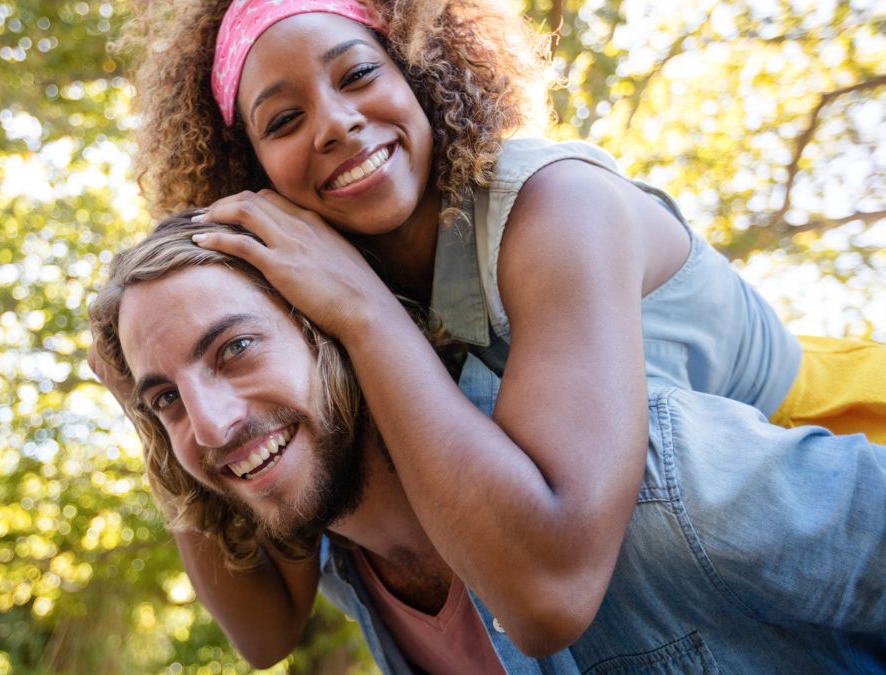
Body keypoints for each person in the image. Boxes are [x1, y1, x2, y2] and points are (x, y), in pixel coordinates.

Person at [88, 216, 886, 673]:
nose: (213, 423)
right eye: (163, 399)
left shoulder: (652, 483)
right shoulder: (345, 573)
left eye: (234, 349)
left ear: (328, 327)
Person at [125, 0, 886, 444]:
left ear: (418, 74)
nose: (334, 124)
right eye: (284, 119)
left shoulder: (552, 203)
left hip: (838, 443)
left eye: (358, 74)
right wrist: (143, 389)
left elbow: (553, 559)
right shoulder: (312, 298)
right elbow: (267, 631)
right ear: (251, 169)